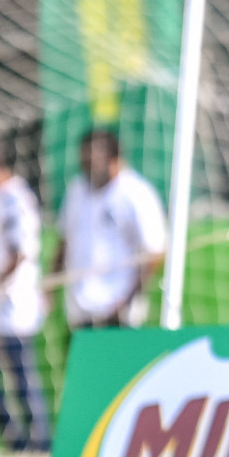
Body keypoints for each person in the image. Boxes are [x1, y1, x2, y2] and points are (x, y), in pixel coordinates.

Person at [0, 139, 52, 453]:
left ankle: (40, 445)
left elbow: (20, 254)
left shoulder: (16, 199)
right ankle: (18, 441)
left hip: (11, 307)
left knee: (21, 378)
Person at [56, 130, 168, 330]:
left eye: (93, 158)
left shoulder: (136, 193)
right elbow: (64, 240)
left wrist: (127, 300)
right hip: (79, 310)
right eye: (84, 159)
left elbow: (155, 252)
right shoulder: (77, 190)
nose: (87, 164)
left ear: (113, 158)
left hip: (117, 313)